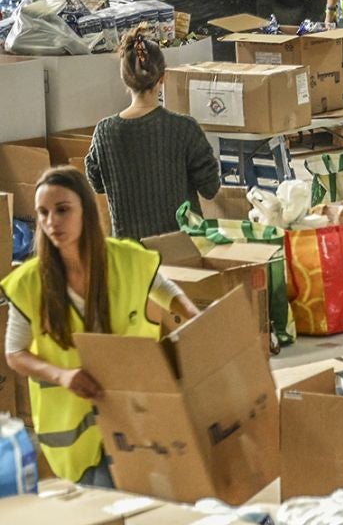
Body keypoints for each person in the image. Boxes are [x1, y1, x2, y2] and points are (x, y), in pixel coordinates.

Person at [2, 167, 198, 488]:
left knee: (148, 501)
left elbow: (163, 287)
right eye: (43, 213)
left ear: (86, 210)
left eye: (62, 210)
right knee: (107, 506)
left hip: (133, 412)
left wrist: (195, 317)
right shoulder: (29, 282)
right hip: (75, 432)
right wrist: (61, 375)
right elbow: (15, 353)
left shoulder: (126, 259)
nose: (52, 222)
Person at [84, 27, 220, 240]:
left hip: (131, 255)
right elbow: (210, 188)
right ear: (162, 78)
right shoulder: (184, 128)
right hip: (183, 250)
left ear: (125, 79)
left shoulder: (104, 132)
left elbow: (97, 183)